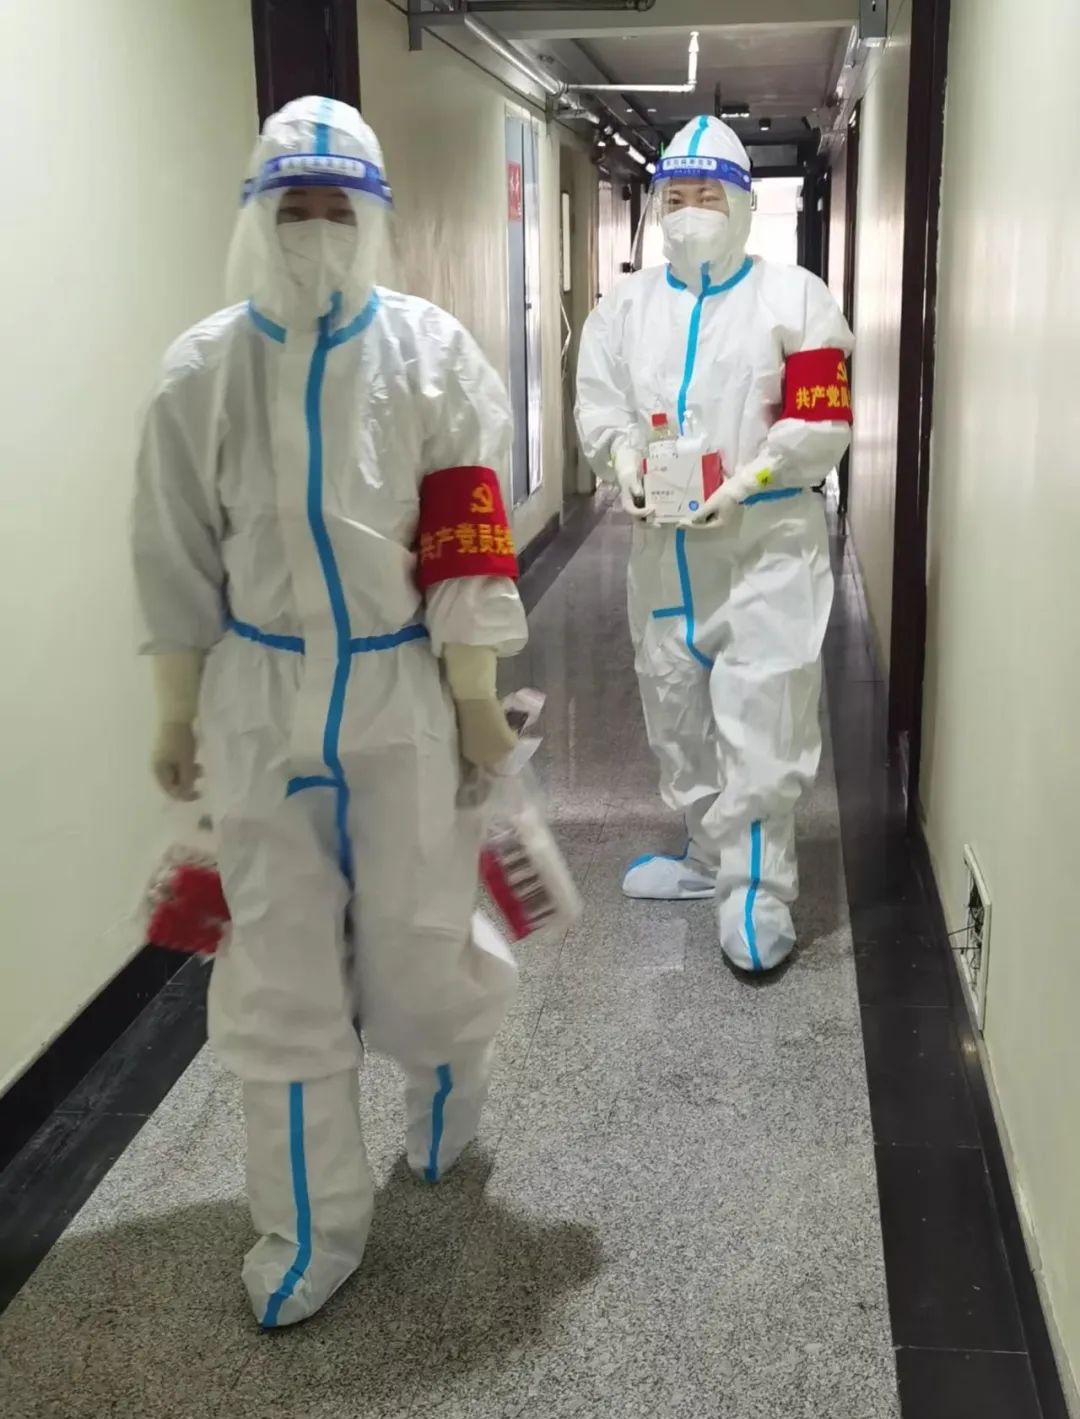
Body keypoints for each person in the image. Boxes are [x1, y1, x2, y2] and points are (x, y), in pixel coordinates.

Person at [132, 97, 527, 1328]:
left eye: (336, 209)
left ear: (373, 219)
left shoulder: (432, 356)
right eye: (291, 207)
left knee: (418, 936)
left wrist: (474, 693)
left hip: (400, 688)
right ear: (255, 214)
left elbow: (469, 537)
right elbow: (172, 553)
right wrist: (176, 707)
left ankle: (447, 1102)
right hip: (258, 702)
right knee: (279, 971)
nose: (314, 231)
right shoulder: (202, 371)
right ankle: (307, 1229)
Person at [575, 115, 853, 973]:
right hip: (664, 554)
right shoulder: (625, 309)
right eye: (675, 197)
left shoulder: (795, 298)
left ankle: (758, 896)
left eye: (707, 195)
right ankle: (706, 858)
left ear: (741, 204)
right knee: (678, 712)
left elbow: (822, 420)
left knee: (762, 718)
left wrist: (752, 476)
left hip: (767, 546)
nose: (690, 211)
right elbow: (601, 405)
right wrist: (623, 460)